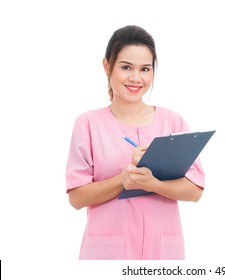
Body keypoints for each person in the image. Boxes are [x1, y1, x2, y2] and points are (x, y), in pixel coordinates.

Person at [65, 25, 205, 260]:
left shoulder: (172, 122)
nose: (136, 78)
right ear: (107, 66)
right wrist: (123, 180)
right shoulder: (87, 124)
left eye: (145, 69)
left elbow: (195, 190)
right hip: (107, 255)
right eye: (126, 67)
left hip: (162, 255)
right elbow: (76, 197)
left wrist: (152, 183)